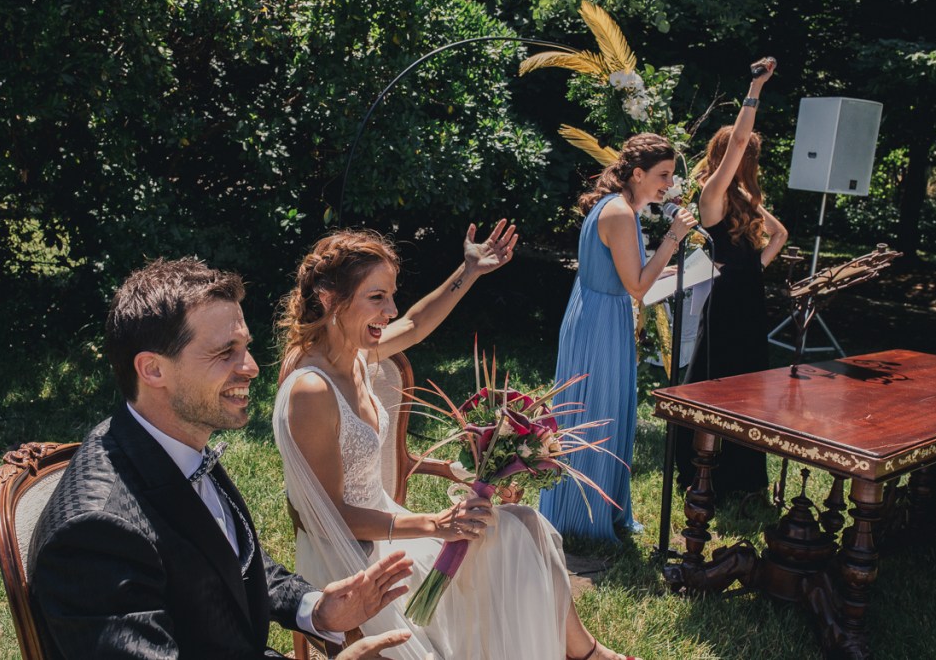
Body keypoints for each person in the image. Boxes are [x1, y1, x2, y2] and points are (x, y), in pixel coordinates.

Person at [273, 223, 638, 660]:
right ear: (330, 299)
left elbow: (415, 322)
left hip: (389, 529)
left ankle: (587, 652)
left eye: (392, 295)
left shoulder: (355, 352)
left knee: (525, 525)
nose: (391, 310)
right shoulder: (312, 389)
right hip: (345, 557)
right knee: (501, 551)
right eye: (377, 297)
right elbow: (328, 519)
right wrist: (435, 524)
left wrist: (470, 270)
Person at [28, 257, 415, 660]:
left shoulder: (168, 441)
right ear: (153, 370)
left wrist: (314, 608)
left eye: (245, 347)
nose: (251, 368)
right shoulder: (95, 534)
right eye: (225, 352)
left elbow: (228, 561)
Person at [538, 133, 697, 542]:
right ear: (638, 174)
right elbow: (637, 287)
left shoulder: (620, 207)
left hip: (601, 313)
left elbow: (629, 273)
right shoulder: (620, 213)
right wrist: (673, 238)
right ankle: (581, 518)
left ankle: (603, 508)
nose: (669, 184)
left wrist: (675, 270)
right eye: (663, 175)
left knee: (607, 410)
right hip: (600, 322)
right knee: (595, 414)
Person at [674, 58, 789, 501]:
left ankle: (744, 480)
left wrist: (754, 265)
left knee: (751, 388)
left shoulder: (741, 198)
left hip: (749, 298)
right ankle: (705, 472)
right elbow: (741, 139)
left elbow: (779, 235)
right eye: (743, 154)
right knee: (717, 384)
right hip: (727, 302)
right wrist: (755, 88)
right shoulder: (711, 195)